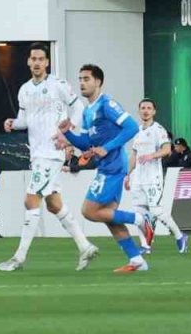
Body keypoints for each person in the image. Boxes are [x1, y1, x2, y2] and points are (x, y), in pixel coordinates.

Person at [0, 43, 98, 273]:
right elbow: (24, 119)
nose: (37, 63)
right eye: (34, 58)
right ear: (28, 62)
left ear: (47, 62)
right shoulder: (24, 89)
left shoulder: (59, 85)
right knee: (53, 204)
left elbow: (80, 109)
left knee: (30, 200)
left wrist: (69, 130)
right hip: (37, 153)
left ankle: (19, 257)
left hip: (51, 153)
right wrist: (13, 123)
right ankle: (85, 246)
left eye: (41, 59)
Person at [56, 64, 143, 273]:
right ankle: (137, 260)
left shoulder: (107, 104)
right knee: (107, 216)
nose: (82, 83)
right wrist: (67, 134)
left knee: (89, 211)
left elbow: (132, 127)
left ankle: (140, 219)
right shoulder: (88, 111)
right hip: (106, 166)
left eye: (86, 79)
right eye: (80, 79)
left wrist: (107, 147)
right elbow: (86, 143)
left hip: (113, 166)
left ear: (98, 82)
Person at [127, 99, 188, 254]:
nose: (145, 111)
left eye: (149, 108)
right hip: (138, 178)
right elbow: (134, 154)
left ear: (154, 111)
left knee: (155, 211)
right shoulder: (137, 131)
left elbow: (167, 149)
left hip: (153, 177)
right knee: (139, 213)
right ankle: (145, 246)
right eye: (142, 108)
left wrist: (151, 156)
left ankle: (180, 236)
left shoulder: (158, 130)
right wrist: (127, 175)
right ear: (139, 111)